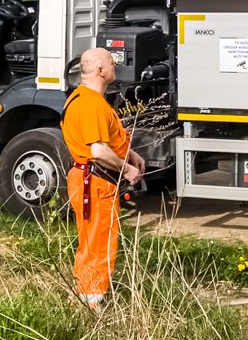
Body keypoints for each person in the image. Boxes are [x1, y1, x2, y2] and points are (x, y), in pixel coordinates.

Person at [62, 47, 146, 310]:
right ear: (100, 70)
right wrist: (127, 169)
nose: (115, 66)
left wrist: (128, 152)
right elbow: (98, 151)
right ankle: (91, 302)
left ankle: (85, 294)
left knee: (92, 239)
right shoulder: (91, 104)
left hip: (91, 180)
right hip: (95, 183)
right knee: (99, 243)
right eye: (111, 62)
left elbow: (101, 140)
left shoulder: (81, 98)